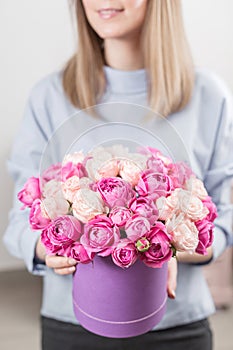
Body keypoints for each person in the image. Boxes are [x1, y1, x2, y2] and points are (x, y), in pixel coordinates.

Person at [3, 0, 233, 349]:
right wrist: (53, 247)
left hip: (178, 329)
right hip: (72, 327)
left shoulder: (208, 97)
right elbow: (19, 223)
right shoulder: (49, 97)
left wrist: (166, 249)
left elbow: (224, 220)